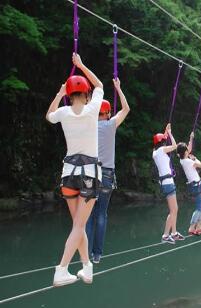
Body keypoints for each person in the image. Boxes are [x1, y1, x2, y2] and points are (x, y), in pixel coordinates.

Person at [46, 53, 103, 286]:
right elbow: (99, 84)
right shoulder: (92, 109)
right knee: (80, 225)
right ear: (87, 94)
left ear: (69, 96)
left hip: (68, 174)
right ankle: (61, 269)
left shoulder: (64, 112)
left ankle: (86, 266)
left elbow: (49, 116)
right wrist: (81, 65)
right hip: (89, 175)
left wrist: (59, 95)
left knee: (77, 225)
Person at [86, 78, 130, 264]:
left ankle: (84, 254)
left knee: (87, 215)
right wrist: (119, 89)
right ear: (108, 112)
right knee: (101, 214)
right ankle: (97, 255)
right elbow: (126, 109)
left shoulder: (88, 124)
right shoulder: (111, 124)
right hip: (106, 174)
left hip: (89, 172)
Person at [153, 124, 185, 244]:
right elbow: (175, 146)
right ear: (162, 143)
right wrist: (170, 133)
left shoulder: (155, 153)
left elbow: (161, 143)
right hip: (168, 183)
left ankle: (174, 232)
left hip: (165, 183)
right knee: (174, 210)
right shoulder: (161, 150)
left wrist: (165, 133)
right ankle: (166, 235)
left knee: (174, 210)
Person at [177, 132, 201, 236]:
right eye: (187, 150)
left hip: (195, 185)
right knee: (199, 208)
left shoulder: (182, 160)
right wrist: (195, 158)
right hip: (196, 186)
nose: (188, 151)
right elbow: (200, 165)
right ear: (185, 152)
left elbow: (188, 149)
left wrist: (191, 138)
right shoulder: (189, 161)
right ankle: (191, 228)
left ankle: (198, 227)